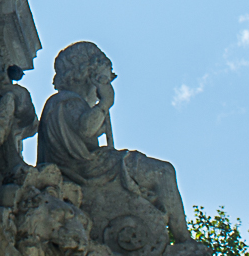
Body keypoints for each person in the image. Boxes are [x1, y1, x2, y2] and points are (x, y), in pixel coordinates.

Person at [37, 42, 194, 244]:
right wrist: (104, 104)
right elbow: (85, 128)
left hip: (89, 166)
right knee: (163, 172)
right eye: (102, 79)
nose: (104, 87)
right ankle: (184, 242)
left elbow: (82, 133)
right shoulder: (66, 100)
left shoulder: (64, 103)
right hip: (90, 169)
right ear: (85, 75)